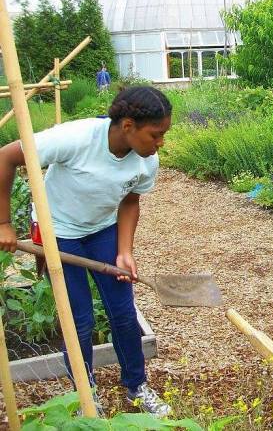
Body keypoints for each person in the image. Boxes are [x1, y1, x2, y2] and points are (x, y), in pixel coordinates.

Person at [0, 86, 172, 416]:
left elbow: (130, 201)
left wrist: (125, 251)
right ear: (127, 126)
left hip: (102, 231)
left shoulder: (146, 161)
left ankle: (137, 387)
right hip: (57, 235)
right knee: (78, 319)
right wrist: (3, 223)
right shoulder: (76, 138)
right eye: (156, 134)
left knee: (122, 313)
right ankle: (86, 393)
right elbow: (6, 156)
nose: (161, 142)